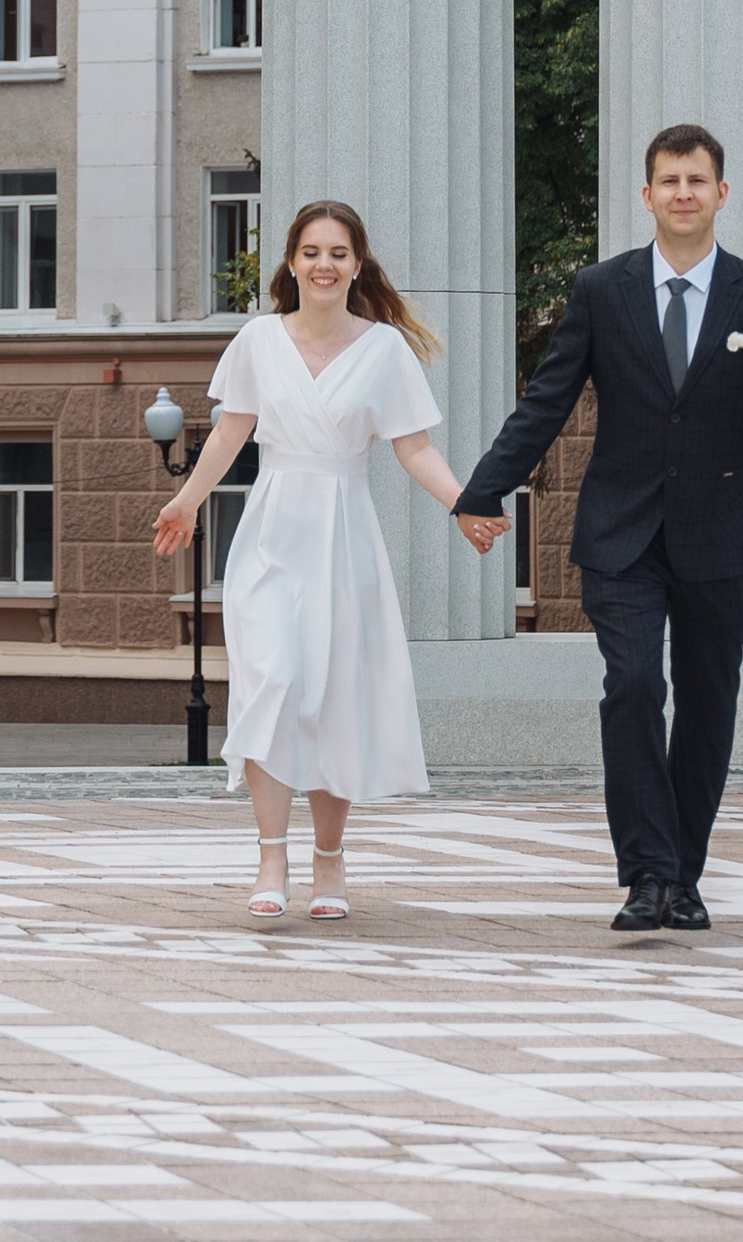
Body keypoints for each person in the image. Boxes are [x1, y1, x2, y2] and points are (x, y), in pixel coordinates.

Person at [454, 124, 743, 936]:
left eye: (697, 179)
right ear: (646, 195)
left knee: (709, 705)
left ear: (721, 193)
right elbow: (548, 399)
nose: (683, 192)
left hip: (720, 537)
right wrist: (483, 489)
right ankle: (647, 873)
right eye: (669, 180)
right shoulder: (600, 291)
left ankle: (685, 873)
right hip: (620, 534)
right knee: (635, 684)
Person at [154, 199, 503, 923]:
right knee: (271, 685)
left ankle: (330, 860)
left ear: (357, 264)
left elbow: (414, 448)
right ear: (291, 262)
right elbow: (228, 434)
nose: (323, 264)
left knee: (332, 696)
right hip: (272, 534)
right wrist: (187, 501)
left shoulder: (384, 350)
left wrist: (464, 503)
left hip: (344, 536)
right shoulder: (256, 340)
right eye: (311, 251)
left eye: (338, 252)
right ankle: (271, 853)